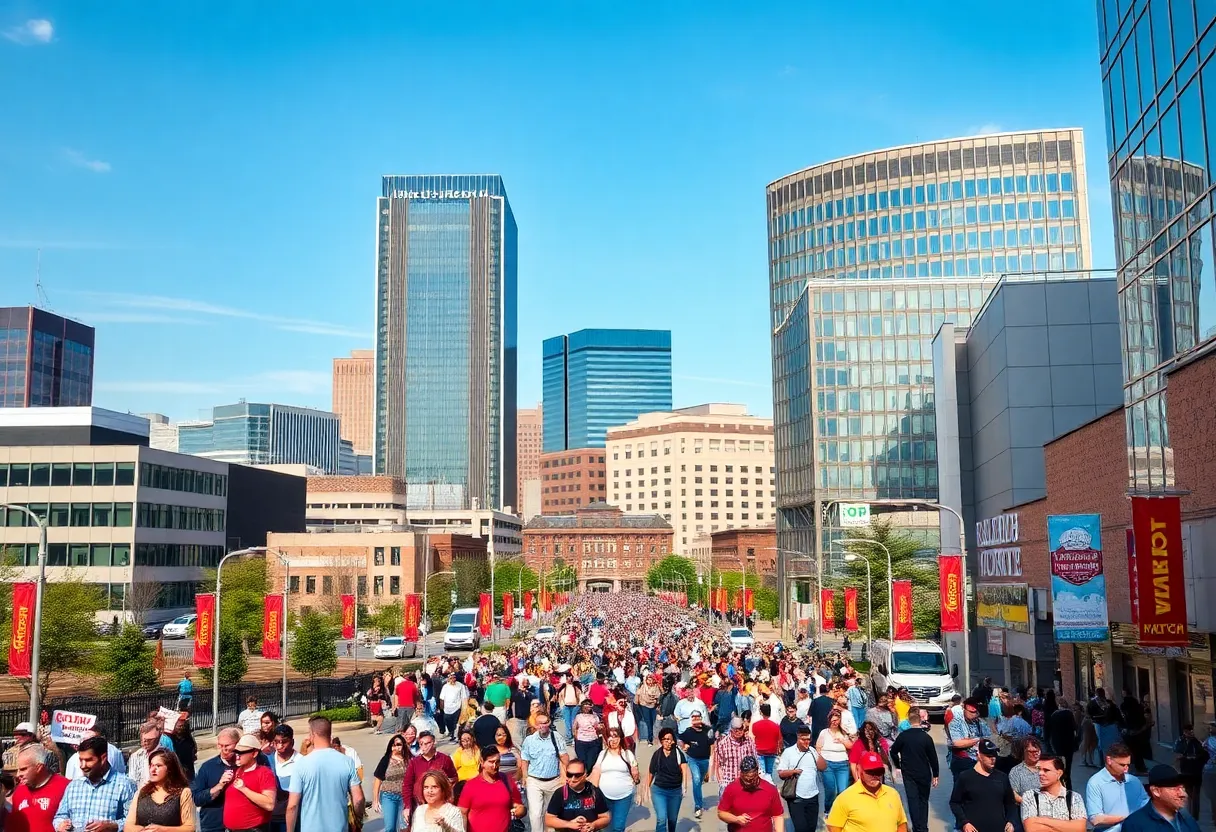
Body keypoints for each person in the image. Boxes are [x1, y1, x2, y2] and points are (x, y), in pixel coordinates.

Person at [286, 716, 366, 832]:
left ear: (312, 734)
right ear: (329, 734)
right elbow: (358, 799)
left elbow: (292, 806)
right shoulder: (347, 761)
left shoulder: (301, 764)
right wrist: (358, 819)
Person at [52, 736, 137, 832]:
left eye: (88, 760)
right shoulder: (73, 786)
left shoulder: (125, 785)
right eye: (80, 760)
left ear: (103, 758)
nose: (82, 766)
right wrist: (60, 824)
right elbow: (60, 816)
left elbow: (134, 822)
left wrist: (113, 826)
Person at [825, 750, 908, 832]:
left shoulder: (893, 794)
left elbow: (901, 823)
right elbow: (834, 827)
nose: (875, 775)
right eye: (870, 771)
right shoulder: (845, 798)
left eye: (879, 771)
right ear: (860, 771)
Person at [949, 739, 1016, 832]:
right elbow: (954, 803)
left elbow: (1010, 803)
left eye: (994, 756)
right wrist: (964, 822)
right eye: (988, 756)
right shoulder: (966, 777)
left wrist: (1011, 821)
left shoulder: (1002, 777)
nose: (993, 759)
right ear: (979, 756)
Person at [889, 708, 939, 832]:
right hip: (924, 773)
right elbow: (933, 757)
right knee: (923, 800)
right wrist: (936, 774)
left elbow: (893, 751)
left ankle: (916, 827)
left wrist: (898, 765)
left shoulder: (903, 736)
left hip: (908, 773)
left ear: (909, 721)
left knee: (912, 800)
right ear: (920, 721)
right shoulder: (926, 737)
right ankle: (923, 827)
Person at [123, 748, 196, 832]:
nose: (153, 770)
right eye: (151, 765)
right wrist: (144, 830)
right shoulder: (142, 792)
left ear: (169, 769)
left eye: (158, 766)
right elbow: (128, 826)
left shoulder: (182, 793)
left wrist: (162, 830)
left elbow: (190, 828)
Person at [456, 746, 525, 832]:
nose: (495, 766)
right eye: (491, 762)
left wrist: (521, 810)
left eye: (498, 762)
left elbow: (519, 805)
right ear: (482, 762)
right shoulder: (471, 786)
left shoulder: (507, 780)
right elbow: (462, 813)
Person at [520, 713, 569, 832]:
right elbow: (524, 760)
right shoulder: (529, 740)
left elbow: (564, 759)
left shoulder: (556, 737)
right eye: (540, 723)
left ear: (549, 723)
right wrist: (525, 776)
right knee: (535, 814)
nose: (543, 726)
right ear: (535, 725)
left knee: (550, 813)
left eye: (545, 723)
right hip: (534, 780)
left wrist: (564, 775)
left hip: (553, 780)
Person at [1085, 743, 1149, 832]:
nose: (1126, 769)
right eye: (1122, 765)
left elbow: (1146, 804)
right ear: (1109, 760)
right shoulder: (1095, 783)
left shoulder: (1134, 781)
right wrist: (1126, 819)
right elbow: (1095, 819)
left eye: (1128, 765)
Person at [221, 734, 277, 832]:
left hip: (253, 829)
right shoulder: (234, 772)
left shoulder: (264, 772)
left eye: (241, 752)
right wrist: (220, 784)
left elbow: (269, 804)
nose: (237, 756)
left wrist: (244, 789)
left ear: (254, 753)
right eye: (236, 752)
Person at [588, 727, 640, 832]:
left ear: (620, 738)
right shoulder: (602, 754)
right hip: (604, 796)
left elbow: (636, 776)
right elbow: (595, 772)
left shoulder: (627, 754)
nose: (613, 740)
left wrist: (636, 774)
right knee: (606, 827)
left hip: (624, 795)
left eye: (615, 736)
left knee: (618, 827)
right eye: (610, 737)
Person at [1121, 764, 1200, 832]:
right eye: (1175, 789)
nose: (1183, 794)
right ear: (1156, 791)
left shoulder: (1188, 820)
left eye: (1183, 788)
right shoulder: (1134, 824)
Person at [777, 724, 826, 832]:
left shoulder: (812, 751)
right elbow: (781, 773)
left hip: (813, 796)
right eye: (803, 739)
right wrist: (793, 771)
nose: (806, 742)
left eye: (808, 739)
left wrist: (818, 752)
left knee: (811, 828)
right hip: (796, 798)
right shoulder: (789, 752)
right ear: (798, 737)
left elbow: (823, 767)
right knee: (801, 828)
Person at [10, 745, 69, 832]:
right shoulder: (19, 791)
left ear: (39, 767)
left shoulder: (66, 787)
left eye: (23, 769)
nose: (18, 774)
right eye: (18, 770)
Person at [718, 755, 784, 832]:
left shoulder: (770, 789)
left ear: (757, 772)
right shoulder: (731, 789)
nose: (748, 782)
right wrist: (736, 819)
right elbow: (721, 813)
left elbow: (777, 815)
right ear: (741, 773)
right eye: (745, 779)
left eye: (752, 779)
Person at [1020, 755, 1085, 832]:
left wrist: (1042, 820)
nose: (1040, 773)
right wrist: (1068, 826)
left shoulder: (1074, 797)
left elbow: (1080, 829)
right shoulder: (1030, 796)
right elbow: (1031, 829)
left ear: (1059, 773)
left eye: (1046, 770)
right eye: (1038, 769)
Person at [401, 732, 458, 818]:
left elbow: (453, 778)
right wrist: (407, 807)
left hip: (440, 803)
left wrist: (449, 798)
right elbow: (407, 785)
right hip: (419, 804)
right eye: (421, 744)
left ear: (434, 743)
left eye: (427, 743)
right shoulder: (414, 762)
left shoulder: (444, 759)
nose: (424, 746)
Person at [545, 759, 610, 832]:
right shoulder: (560, 793)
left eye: (577, 775)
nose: (573, 779)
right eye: (569, 775)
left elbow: (605, 817)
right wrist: (569, 824)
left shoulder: (594, 791)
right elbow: (549, 819)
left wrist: (593, 825)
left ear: (585, 775)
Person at [647, 727, 688, 832]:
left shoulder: (678, 754)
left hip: (675, 791)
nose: (667, 741)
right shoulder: (657, 754)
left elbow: (684, 770)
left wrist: (684, 786)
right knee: (661, 818)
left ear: (673, 740)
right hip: (659, 791)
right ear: (661, 741)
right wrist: (646, 788)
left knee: (672, 820)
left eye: (669, 739)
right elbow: (651, 772)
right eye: (665, 739)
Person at [816, 709, 854, 813]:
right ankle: (828, 810)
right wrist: (821, 760)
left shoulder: (844, 733)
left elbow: (851, 746)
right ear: (829, 721)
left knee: (843, 790)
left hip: (842, 764)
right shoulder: (824, 733)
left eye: (837, 720)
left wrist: (841, 740)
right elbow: (818, 747)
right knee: (831, 790)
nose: (835, 722)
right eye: (833, 720)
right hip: (828, 764)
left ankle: (840, 812)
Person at [678, 710, 715, 819]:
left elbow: (712, 745)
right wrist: (684, 746)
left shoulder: (708, 730)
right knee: (697, 779)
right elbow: (680, 739)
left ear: (701, 717)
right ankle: (698, 806)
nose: (696, 719)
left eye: (697, 717)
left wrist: (711, 760)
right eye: (693, 717)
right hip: (692, 758)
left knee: (701, 778)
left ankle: (700, 782)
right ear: (691, 719)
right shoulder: (688, 731)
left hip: (705, 759)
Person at [372, 734, 410, 832]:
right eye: (393, 745)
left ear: (403, 745)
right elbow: (378, 780)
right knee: (390, 827)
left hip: (405, 797)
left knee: (404, 826)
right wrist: (375, 800)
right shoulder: (386, 760)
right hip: (388, 796)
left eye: (398, 744)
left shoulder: (409, 759)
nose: (396, 747)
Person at [949, 698, 994, 778]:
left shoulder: (980, 723)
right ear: (964, 709)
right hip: (962, 760)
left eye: (975, 712)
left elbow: (989, 738)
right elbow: (957, 743)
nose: (974, 714)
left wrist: (968, 741)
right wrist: (978, 739)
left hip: (978, 761)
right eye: (971, 712)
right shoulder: (956, 722)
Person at [1173, 723, 1208, 818]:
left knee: (1196, 793)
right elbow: (1176, 751)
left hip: (1196, 771)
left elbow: (1204, 755)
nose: (1191, 732)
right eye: (1188, 731)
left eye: (1191, 730)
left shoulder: (1197, 742)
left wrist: (1194, 758)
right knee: (1187, 792)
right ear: (1184, 732)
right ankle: (1188, 813)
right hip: (1185, 770)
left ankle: (1194, 815)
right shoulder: (1180, 741)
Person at [269, 724, 298, 832]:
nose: (280, 746)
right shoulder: (267, 760)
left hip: (292, 819)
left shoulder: (301, 762)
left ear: (292, 742)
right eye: (277, 741)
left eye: (284, 742)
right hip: (270, 819)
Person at [1045, 700, 1078, 790]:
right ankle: (1068, 786)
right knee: (1068, 766)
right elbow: (1075, 729)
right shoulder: (1069, 715)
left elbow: (1048, 730)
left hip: (1057, 744)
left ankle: (1059, 785)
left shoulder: (1054, 715)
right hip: (1069, 744)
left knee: (1058, 766)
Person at [128, 722, 164, 788]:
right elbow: (132, 780)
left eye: (149, 740)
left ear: (158, 738)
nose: (145, 742)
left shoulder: (166, 755)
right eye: (143, 740)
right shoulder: (135, 756)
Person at [572, 699, 604, 772]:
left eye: (589, 705)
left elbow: (598, 729)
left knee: (591, 762)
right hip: (581, 742)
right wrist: (576, 739)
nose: (587, 707)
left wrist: (599, 728)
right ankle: (583, 778)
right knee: (582, 762)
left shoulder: (595, 716)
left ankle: (589, 778)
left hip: (593, 741)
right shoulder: (578, 716)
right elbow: (574, 728)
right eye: (585, 705)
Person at [751, 703, 782, 779]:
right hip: (772, 751)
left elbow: (754, 735)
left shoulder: (755, 725)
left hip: (759, 751)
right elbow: (779, 739)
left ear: (761, 712)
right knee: (769, 772)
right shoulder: (776, 726)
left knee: (762, 773)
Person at [1202, 722, 1216, 828]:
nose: (1210, 729)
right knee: (1212, 795)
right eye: (1210, 728)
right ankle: (1214, 817)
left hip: (1211, 770)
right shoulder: (1208, 740)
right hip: (1211, 770)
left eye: (1212, 728)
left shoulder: (1209, 741)